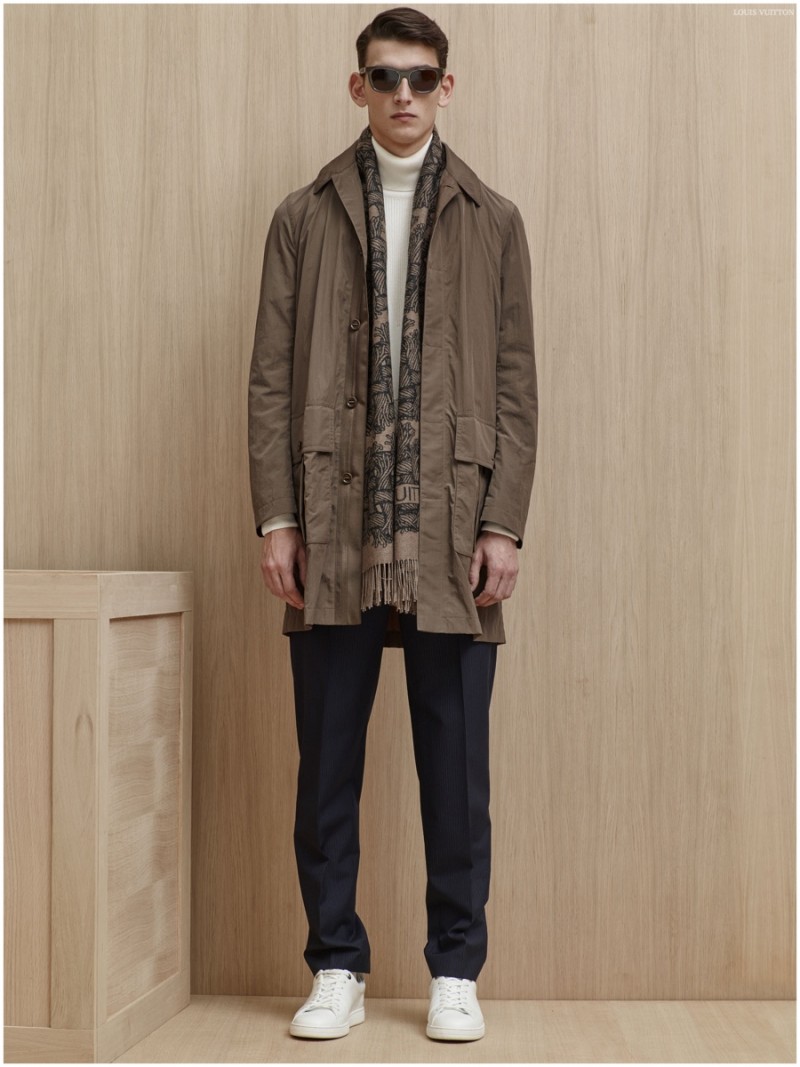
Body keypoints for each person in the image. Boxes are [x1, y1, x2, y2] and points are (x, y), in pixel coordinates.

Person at [248, 5, 537, 1044]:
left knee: (456, 770)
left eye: (420, 76)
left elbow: (515, 387)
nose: (403, 93)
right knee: (326, 763)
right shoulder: (304, 214)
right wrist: (278, 516)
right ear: (357, 85)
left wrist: (503, 521)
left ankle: (455, 967)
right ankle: (335, 961)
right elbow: (270, 379)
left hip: (452, 529)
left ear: (445, 87)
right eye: (384, 76)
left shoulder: (492, 219)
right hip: (334, 524)